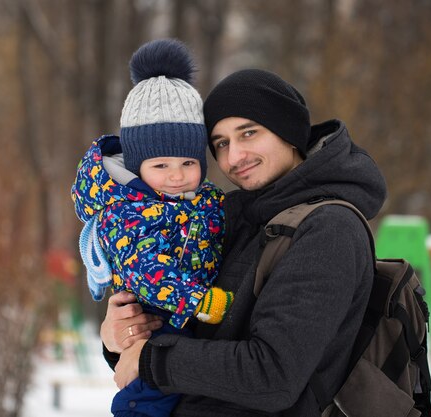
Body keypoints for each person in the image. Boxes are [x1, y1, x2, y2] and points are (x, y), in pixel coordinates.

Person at [100, 66, 388, 416]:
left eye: (248, 133)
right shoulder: (233, 217)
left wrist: (150, 359)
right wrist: (124, 336)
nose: (234, 157)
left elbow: (272, 375)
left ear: (288, 131)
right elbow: (188, 339)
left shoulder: (329, 230)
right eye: (221, 143)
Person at [71, 39, 231, 417]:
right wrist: (200, 302)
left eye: (188, 163)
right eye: (161, 166)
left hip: (185, 324)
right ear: (137, 167)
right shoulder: (127, 212)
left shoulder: (206, 200)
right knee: (150, 397)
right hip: (155, 318)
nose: (176, 176)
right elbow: (146, 269)